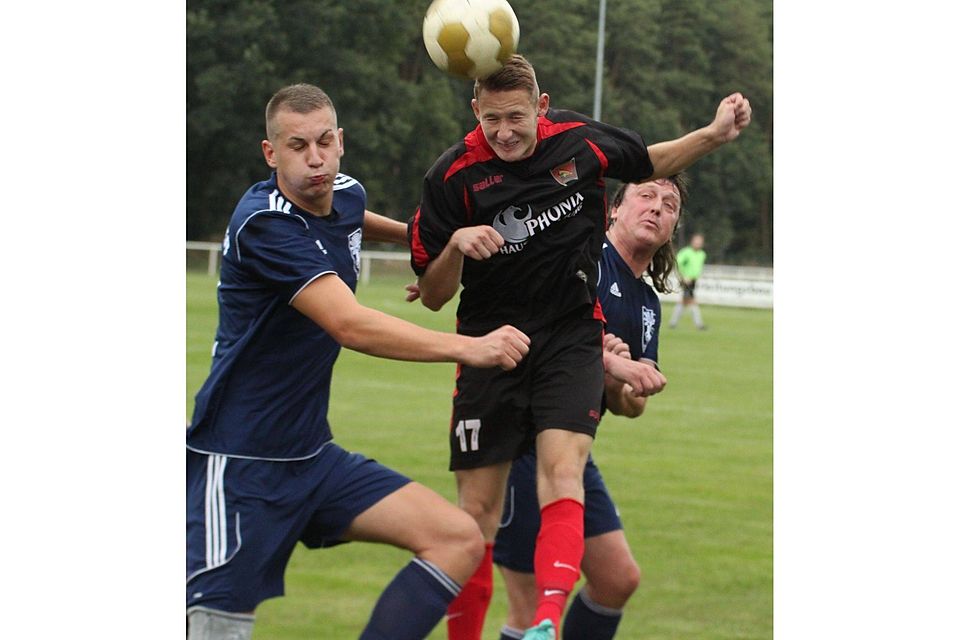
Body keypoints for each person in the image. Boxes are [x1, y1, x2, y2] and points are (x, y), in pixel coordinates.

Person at [408, 55, 750, 640]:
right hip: (491, 347)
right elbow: (435, 295)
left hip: (567, 338)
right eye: (492, 120)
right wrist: (457, 246)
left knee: (572, 489)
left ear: (541, 109)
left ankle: (546, 624)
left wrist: (714, 135)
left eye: (516, 117)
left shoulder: (578, 144)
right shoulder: (452, 177)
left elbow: (649, 161)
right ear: (475, 113)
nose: (505, 132)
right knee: (474, 522)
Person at [185, 83, 531, 640]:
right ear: (271, 154)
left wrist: (431, 243)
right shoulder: (267, 225)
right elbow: (349, 324)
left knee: (457, 538)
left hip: (311, 459)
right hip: (240, 466)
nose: (315, 158)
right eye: (297, 146)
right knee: (216, 629)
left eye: (325, 141)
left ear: (341, 141)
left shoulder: (342, 191)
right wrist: (470, 347)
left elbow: (353, 216)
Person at [493, 176, 686, 640]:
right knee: (531, 611)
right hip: (520, 437)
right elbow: (531, 337)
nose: (657, 208)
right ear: (615, 209)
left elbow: (628, 407)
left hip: (572, 446)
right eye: (646, 196)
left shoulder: (647, 304)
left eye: (670, 204)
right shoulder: (581, 257)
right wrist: (604, 360)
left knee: (618, 578)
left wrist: (627, 380)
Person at [669, 233, 708, 329]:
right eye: (696, 241)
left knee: (684, 302)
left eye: (700, 242)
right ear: (692, 242)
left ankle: (673, 323)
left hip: (693, 280)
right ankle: (699, 325)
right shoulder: (686, 252)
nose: (698, 244)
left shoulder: (702, 254)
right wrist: (683, 277)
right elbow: (678, 264)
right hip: (686, 280)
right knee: (692, 301)